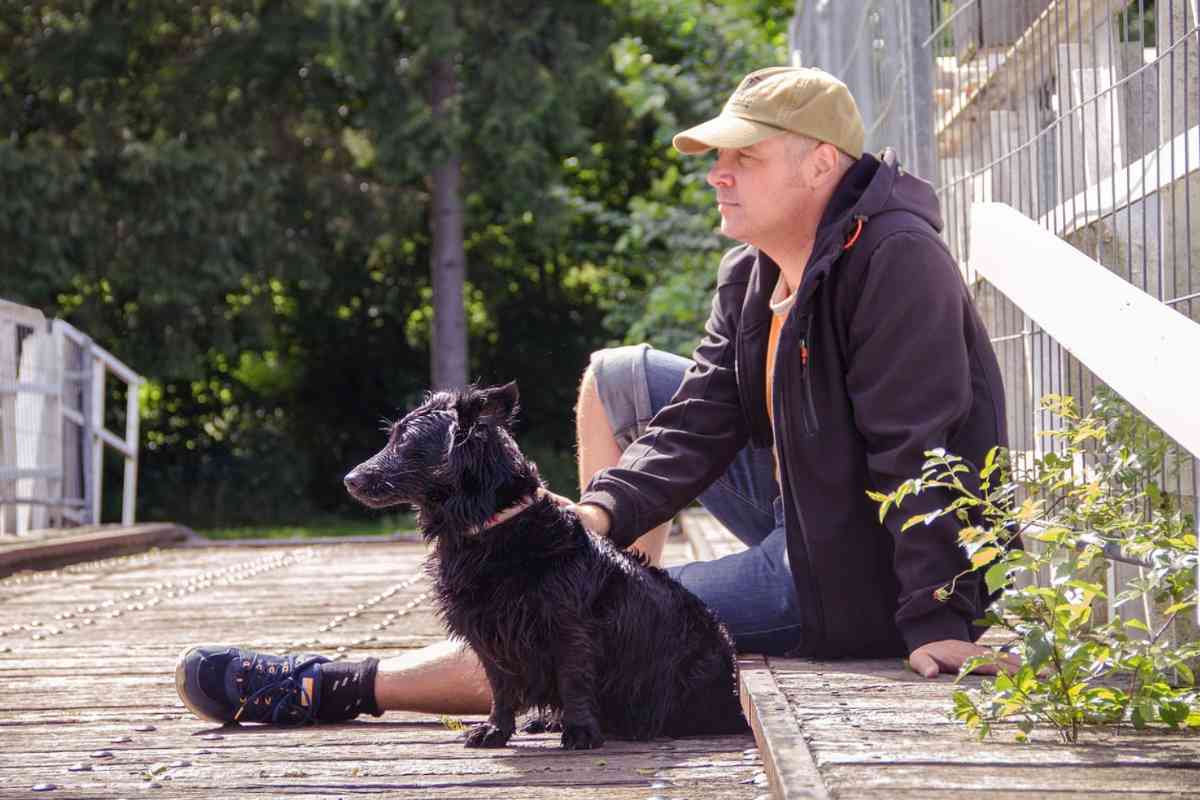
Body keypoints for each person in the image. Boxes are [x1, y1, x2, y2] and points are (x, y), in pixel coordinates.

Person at [176, 66, 1018, 727]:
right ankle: (606, 589)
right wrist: (600, 516)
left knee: (569, 623)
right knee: (619, 375)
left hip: (859, 569)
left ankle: (342, 688)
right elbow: (701, 416)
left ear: (820, 163)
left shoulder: (897, 260)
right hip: (807, 502)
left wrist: (936, 618)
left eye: (743, 157)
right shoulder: (754, 273)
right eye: (718, 157)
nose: (718, 174)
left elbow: (924, 450)